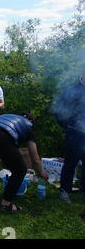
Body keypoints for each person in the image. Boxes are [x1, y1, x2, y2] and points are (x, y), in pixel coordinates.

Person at [0, 113, 49, 212]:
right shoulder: (28, 127)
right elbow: (35, 159)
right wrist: (41, 173)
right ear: (32, 122)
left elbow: (2, 151)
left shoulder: (9, 116)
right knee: (20, 170)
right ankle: (6, 204)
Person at [54, 70, 85, 203]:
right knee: (70, 163)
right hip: (74, 134)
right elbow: (59, 111)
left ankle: (83, 190)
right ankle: (64, 191)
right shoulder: (71, 90)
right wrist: (68, 125)